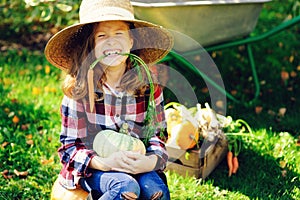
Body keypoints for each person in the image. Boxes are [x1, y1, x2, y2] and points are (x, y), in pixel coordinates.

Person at [45, 0, 174, 199]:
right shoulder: (80, 90)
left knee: (155, 190)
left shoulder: (148, 86)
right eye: (102, 35)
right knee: (124, 187)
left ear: (132, 41)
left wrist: (150, 161)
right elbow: (69, 147)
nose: (112, 42)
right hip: (95, 168)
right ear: (91, 45)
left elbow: (158, 135)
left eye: (119, 34)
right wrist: (104, 163)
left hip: (138, 163)